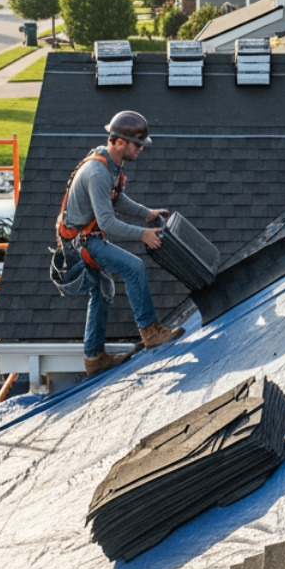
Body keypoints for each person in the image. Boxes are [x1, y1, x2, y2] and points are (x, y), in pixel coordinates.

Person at [60, 110, 183, 376]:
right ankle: (150, 331)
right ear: (119, 142)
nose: (140, 149)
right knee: (134, 267)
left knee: (103, 291)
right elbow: (106, 223)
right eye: (137, 144)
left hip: (85, 236)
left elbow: (116, 200)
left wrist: (146, 213)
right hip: (82, 242)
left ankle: (94, 358)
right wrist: (143, 233)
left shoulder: (110, 165)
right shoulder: (97, 172)